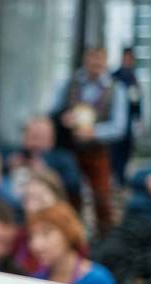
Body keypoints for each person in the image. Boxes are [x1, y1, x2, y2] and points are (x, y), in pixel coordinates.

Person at [51, 47, 129, 237]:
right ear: (86, 60)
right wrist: (64, 118)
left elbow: (119, 127)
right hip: (71, 151)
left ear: (105, 62)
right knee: (71, 194)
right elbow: (53, 111)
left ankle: (105, 237)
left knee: (102, 196)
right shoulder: (69, 83)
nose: (95, 65)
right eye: (92, 60)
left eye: (99, 61)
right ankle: (72, 235)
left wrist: (94, 133)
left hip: (98, 151)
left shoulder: (115, 88)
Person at [3, 116, 81, 203]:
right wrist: (7, 166)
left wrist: (45, 172)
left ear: (51, 140)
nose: (36, 143)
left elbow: (74, 186)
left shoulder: (62, 158)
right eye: (33, 136)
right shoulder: (11, 154)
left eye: (41, 137)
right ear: (24, 137)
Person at [13, 168, 68, 274]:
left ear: (58, 200)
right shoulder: (20, 236)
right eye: (27, 199)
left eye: (39, 199)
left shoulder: (70, 239)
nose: (31, 207)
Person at [111, 47, 142, 186]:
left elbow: (137, 101)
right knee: (114, 151)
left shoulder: (133, 78)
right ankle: (114, 178)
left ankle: (121, 180)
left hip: (129, 122)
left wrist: (139, 119)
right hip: (115, 121)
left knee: (126, 150)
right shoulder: (114, 76)